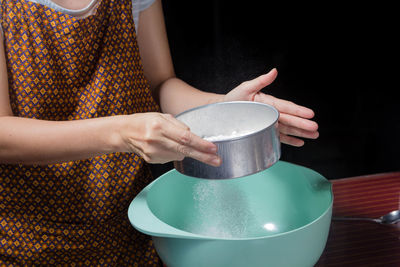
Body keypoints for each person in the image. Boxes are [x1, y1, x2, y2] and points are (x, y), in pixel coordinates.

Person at [0, 0, 319, 265]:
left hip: (129, 232)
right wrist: (121, 133)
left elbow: (160, 86)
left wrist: (223, 111)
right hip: (31, 244)